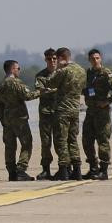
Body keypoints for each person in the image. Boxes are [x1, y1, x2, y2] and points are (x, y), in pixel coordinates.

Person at [0, 60, 41, 181]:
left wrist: (3, 120)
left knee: (10, 146)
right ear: (12, 69)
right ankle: (21, 170)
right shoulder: (16, 83)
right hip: (19, 118)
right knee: (27, 143)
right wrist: (40, 92)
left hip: (7, 119)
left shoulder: (0, 85)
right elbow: (27, 96)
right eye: (18, 68)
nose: (19, 70)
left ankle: (11, 172)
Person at [82, 48, 112, 179]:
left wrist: (107, 101)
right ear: (89, 60)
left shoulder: (106, 73)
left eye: (97, 58)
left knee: (102, 141)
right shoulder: (88, 73)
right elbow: (85, 88)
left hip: (102, 113)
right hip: (90, 112)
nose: (95, 60)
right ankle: (93, 168)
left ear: (100, 58)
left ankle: (104, 170)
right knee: (87, 140)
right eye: (92, 59)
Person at [48, 47, 88, 180]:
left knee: (61, 140)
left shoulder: (63, 71)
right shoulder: (81, 70)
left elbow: (51, 83)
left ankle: (64, 170)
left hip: (63, 110)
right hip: (75, 110)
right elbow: (83, 87)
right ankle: (77, 169)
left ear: (60, 58)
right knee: (73, 139)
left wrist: (58, 69)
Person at [34, 48, 61, 179]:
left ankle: (64, 167)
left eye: (54, 59)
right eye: (49, 59)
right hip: (45, 113)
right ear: (45, 60)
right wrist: (56, 90)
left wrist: (50, 90)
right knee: (45, 142)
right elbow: (40, 90)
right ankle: (46, 169)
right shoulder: (41, 75)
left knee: (60, 141)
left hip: (60, 112)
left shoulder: (62, 73)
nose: (52, 61)